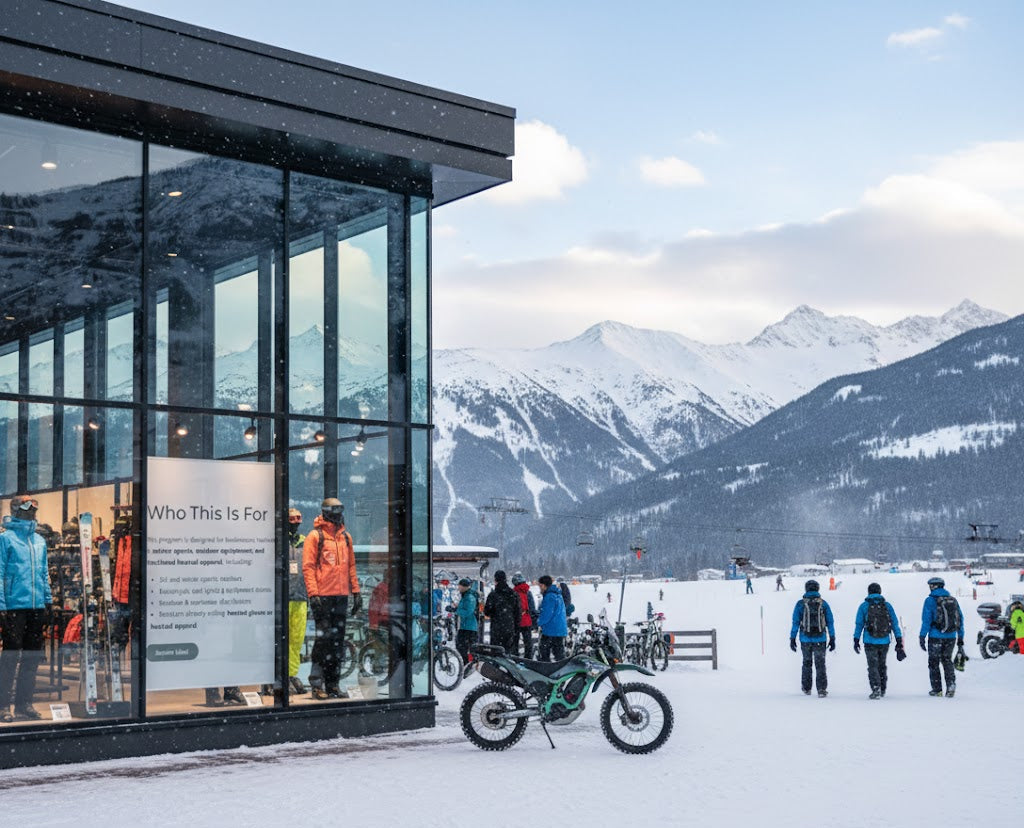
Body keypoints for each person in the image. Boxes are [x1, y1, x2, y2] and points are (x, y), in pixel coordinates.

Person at [303, 497, 362, 700]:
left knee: (337, 642)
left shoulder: (345, 538)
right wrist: (313, 594)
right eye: (334, 510)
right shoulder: (315, 536)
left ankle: (333, 684)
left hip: (340, 596)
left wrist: (356, 592)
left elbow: (351, 567)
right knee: (323, 641)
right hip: (323, 596)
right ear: (327, 511)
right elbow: (308, 567)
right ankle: (317, 683)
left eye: (340, 510)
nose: (338, 514)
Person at [0, 496, 52, 722]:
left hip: (36, 606)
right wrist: (1, 606)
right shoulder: (6, 539)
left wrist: (48, 600)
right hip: (14, 607)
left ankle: (24, 704)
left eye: (34, 507)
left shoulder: (39, 541)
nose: (31, 511)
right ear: (15, 510)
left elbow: (44, 574)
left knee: (32, 657)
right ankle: (3, 706)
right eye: (26, 507)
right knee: (10, 658)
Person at [853, 583, 904, 699]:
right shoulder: (887, 606)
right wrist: (898, 640)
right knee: (882, 665)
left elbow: (859, 624)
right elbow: (895, 624)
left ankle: (876, 688)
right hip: (884, 640)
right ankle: (883, 689)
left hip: (869, 641)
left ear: (869, 592)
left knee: (872, 665)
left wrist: (856, 639)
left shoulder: (864, 606)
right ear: (880, 592)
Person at [919, 577, 964, 698]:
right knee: (947, 661)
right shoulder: (952, 600)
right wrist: (960, 637)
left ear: (933, 586)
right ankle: (951, 686)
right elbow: (960, 619)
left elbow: (926, 620)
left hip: (935, 636)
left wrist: (922, 636)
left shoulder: (930, 600)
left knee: (934, 663)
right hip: (951, 636)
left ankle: (937, 689)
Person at [790, 579, 836, 697]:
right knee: (820, 664)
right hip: (820, 638)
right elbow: (830, 622)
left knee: (807, 663)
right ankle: (821, 689)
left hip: (805, 639)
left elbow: (795, 622)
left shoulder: (800, 604)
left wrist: (792, 638)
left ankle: (806, 688)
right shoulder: (823, 603)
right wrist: (832, 637)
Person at [285, 507, 309, 695]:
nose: (295, 525)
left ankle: (292, 673)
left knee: (296, 639)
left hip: (300, 597)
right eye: (291, 521)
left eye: (297, 521)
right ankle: (278, 674)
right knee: (280, 638)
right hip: (282, 598)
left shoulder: (305, 543)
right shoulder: (278, 543)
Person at [484, 570, 519, 653]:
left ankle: (496, 666)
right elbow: (517, 612)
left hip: (496, 628)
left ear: (495, 580)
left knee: (496, 653)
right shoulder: (513, 594)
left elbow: (487, 612)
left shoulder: (493, 595)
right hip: (509, 627)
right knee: (508, 653)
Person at [536, 575, 568, 661]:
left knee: (544, 653)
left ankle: (545, 670)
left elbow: (546, 614)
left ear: (543, 585)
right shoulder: (558, 594)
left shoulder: (549, 596)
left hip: (551, 630)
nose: (539, 588)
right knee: (559, 654)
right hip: (559, 629)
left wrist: (538, 622)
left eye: (540, 586)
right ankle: (561, 671)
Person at [453, 578, 478, 665]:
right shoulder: (465, 596)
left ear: (464, 586)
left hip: (469, 627)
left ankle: (468, 663)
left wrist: (456, 610)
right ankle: (466, 663)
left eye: (459, 586)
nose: (458, 587)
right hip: (465, 626)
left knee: (463, 646)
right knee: (461, 646)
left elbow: (468, 611)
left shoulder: (469, 597)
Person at [511, 572, 536, 658]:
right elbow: (532, 608)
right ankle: (528, 659)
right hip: (526, 620)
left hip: (516, 621)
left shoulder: (513, 593)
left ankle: (515, 658)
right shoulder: (528, 592)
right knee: (528, 642)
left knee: (515, 642)